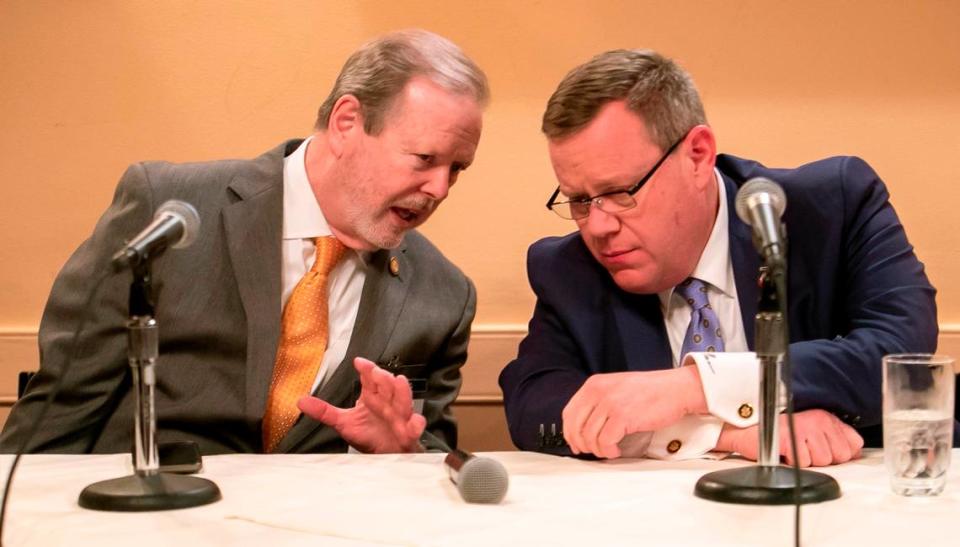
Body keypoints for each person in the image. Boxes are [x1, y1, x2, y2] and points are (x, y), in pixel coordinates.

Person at [1, 29, 488, 455]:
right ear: (346, 123)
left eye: (458, 169)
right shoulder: (168, 210)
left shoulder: (443, 296)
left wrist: (398, 454)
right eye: (424, 158)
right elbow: (61, 411)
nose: (440, 189)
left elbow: (431, 450)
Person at [499, 49, 946, 467]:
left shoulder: (832, 207)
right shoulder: (569, 268)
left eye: (618, 193)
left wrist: (694, 387)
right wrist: (723, 432)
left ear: (697, 155)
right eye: (579, 200)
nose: (597, 226)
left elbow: (900, 350)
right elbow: (534, 406)